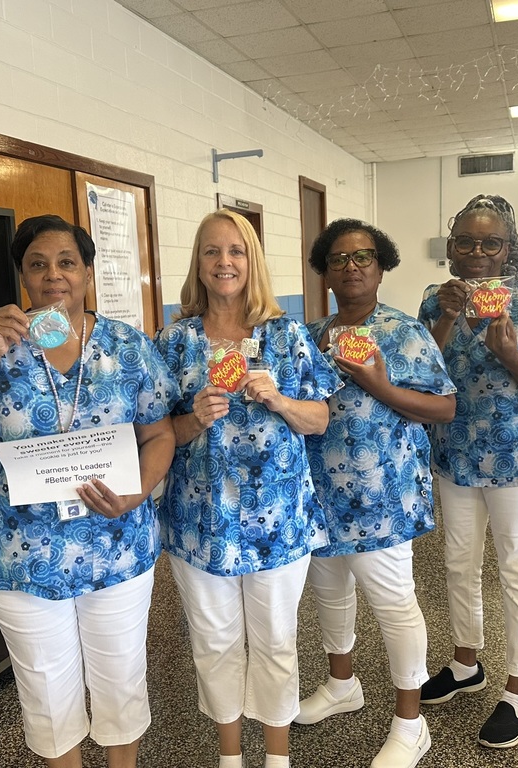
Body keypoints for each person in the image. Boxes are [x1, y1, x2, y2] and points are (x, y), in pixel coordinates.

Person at [0, 215, 177, 768]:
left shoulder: (127, 347)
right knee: (45, 687)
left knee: (120, 676)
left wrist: (137, 494)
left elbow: (159, 433)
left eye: (66, 262)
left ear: (88, 271)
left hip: (116, 543)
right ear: (22, 276)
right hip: (21, 554)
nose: (53, 275)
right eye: (37, 264)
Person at [154, 209, 341, 768]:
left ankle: (277, 758)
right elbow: (159, 433)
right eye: (212, 252)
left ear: (252, 260)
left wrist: (280, 401)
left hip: (277, 520)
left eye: (236, 251)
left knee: (276, 643)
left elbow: (321, 420)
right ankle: (230, 757)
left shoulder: (287, 336)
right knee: (213, 645)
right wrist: (195, 419)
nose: (224, 262)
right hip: (200, 522)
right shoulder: (174, 342)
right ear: (198, 263)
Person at [416, 194, 518, 749]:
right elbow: (420, 376)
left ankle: (517, 690)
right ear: (451, 249)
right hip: (455, 457)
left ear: (509, 250)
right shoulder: (434, 301)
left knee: (515, 570)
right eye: (466, 242)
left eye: (491, 243)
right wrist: (448, 317)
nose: (478, 252)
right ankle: (466, 664)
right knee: (458, 565)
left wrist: (511, 356)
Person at [297, 219, 456, 768]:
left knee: (392, 602)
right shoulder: (311, 334)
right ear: (325, 271)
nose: (352, 266)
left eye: (363, 256)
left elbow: (445, 407)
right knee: (330, 593)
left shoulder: (405, 332)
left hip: (381, 496)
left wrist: (381, 386)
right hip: (319, 494)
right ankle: (343, 685)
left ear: (382, 265)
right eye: (339, 258)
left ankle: (411, 723)